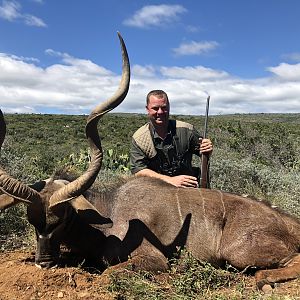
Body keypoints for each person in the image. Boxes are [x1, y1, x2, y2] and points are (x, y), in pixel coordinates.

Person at [130, 90, 213, 188]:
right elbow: (138, 170)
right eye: (155, 108)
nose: (160, 112)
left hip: (188, 187)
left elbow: (203, 152)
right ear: (147, 109)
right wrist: (170, 180)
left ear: (169, 107)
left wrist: (207, 148)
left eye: (164, 107)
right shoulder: (140, 138)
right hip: (157, 189)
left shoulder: (187, 130)